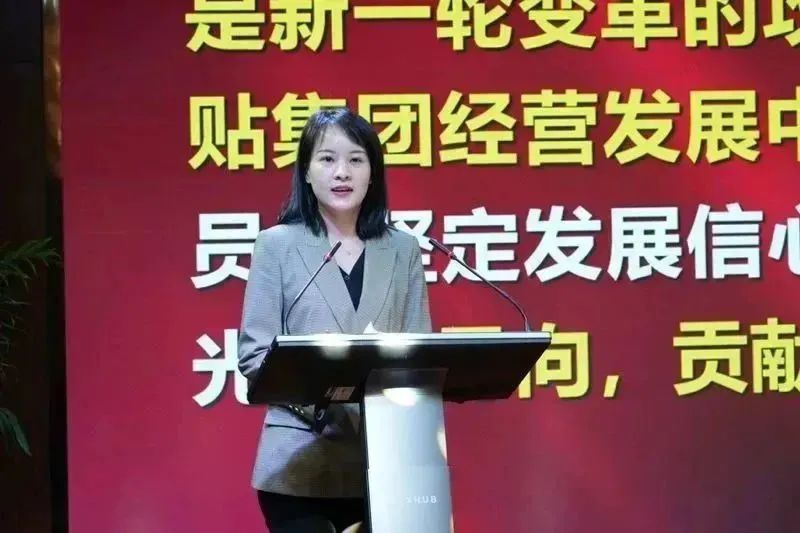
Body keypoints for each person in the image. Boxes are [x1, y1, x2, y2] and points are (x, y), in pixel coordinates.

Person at [237, 107, 432, 532]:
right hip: (298, 462)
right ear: (306, 172)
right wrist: (328, 391)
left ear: (372, 173)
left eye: (356, 159)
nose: (342, 172)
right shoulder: (276, 246)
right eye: (327, 159)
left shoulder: (403, 250)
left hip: (383, 463)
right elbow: (255, 356)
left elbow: (420, 355)